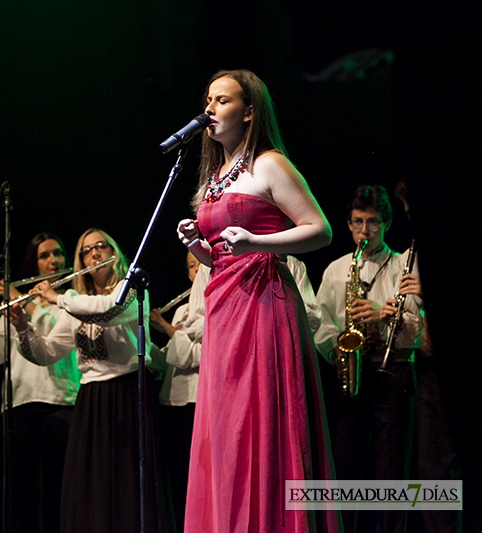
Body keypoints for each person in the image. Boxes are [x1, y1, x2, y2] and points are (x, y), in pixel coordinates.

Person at [176, 69, 339, 532]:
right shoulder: (214, 176)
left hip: (264, 304)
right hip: (226, 306)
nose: (209, 108)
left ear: (248, 112)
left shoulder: (268, 164)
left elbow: (320, 229)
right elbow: (223, 255)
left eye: (222, 100)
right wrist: (198, 248)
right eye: (207, 99)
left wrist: (257, 243)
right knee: (230, 428)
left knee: (260, 420)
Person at [7, 228, 173, 533]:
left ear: (115, 253)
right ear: (81, 260)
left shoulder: (133, 290)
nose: (95, 253)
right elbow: (46, 352)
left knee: (127, 480)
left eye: (101, 246)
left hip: (128, 395)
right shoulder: (75, 304)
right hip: (92, 402)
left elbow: (107, 311)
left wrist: (58, 297)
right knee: (92, 482)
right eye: (87, 250)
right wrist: (21, 327)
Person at [314, 185, 423, 533]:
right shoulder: (336, 270)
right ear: (347, 224)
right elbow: (322, 322)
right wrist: (337, 350)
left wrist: (381, 313)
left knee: (391, 473)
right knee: (346, 469)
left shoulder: (402, 265)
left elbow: (416, 330)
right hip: (353, 374)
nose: (364, 231)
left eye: (373, 223)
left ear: (387, 223)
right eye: (358, 222)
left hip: (394, 372)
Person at [0, 232, 80, 533]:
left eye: (58, 254)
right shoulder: (17, 304)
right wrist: (7, 313)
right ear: (34, 265)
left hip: (61, 401)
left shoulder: (72, 300)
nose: (53, 261)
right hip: (20, 403)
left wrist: (23, 303)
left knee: (60, 488)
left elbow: (54, 337)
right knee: (23, 491)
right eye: (45, 256)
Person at [149, 251, 208, 533]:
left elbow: (201, 356)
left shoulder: (214, 306)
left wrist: (165, 327)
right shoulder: (181, 311)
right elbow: (169, 361)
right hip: (173, 400)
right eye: (191, 266)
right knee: (179, 476)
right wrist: (144, 342)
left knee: (203, 477)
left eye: (200, 264)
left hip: (200, 400)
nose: (196, 270)